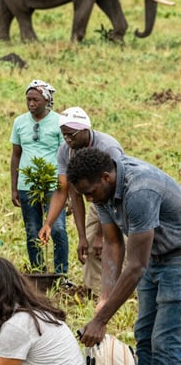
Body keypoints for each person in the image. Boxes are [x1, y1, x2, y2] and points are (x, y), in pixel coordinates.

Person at [67, 148, 181, 365]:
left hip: (176, 259)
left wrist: (100, 320)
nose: (89, 200)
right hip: (154, 257)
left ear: (106, 177)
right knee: (144, 334)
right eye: (84, 195)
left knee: (165, 340)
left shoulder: (139, 190)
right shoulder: (103, 191)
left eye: (90, 193)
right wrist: (105, 297)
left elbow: (136, 266)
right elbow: (113, 242)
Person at [39, 107, 124, 296]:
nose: (67, 139)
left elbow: (114, 190)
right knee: (91, 246)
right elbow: (69, 192)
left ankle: (120, 290)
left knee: (113, 244)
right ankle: (95, 293)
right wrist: (52, 225)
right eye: (64, 135)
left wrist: (103, 234)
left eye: (71, 135)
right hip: (96, 200)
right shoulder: (66, 151)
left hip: (119, 200)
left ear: (85, 130)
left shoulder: (108, 148)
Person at [9, 80, 67, 274]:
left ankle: (61, 274)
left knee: (57, 229)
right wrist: (14, 187)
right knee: (32, 230)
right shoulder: (19, 122)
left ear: (47, 100)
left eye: (36, 100)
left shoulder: (59, 122)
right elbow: (16, 155)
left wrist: (68, 190)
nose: (31, 103)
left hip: (54, 184)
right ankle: (38, 272)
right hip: (27, 185)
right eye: (28, 99)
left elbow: (65, 156)